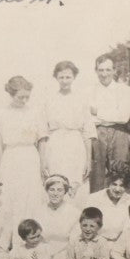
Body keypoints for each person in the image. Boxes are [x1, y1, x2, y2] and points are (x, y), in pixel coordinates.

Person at [0, 75, 44, 223]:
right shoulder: (2, 114)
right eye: (20, 97)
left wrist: (42, 163)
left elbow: (42, 139)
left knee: (31, 195)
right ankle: (11, 237)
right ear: (11, 94)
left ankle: (31, 234)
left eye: (27, 97)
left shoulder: (35, 112)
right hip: (10, 157)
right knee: (11, 195)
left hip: (30, 156)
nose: (24, 101)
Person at [87, 54, 130, 193]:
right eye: (100, 70)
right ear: (96, 71)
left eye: (108, 70)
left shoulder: (125, 90)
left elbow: (124, 117)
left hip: (119, 132)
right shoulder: (88, 91)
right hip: (97, 133)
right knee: (96, 175)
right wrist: (111, 114)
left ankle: (120, 209)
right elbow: (89, 117)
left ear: (114, 70)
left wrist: (98, 111)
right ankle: (96, 211)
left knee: (120, 173)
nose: (104, 74)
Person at [41, 59, 90, 190]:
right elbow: (43, 132)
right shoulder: (49, 100)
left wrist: (89, 161)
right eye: (61, 77)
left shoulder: (81, 100)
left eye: (68, 77)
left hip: (76, 146)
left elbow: (88, 132)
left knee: (75, 181)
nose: (64, 80)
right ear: (56, 78)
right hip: (55, 146)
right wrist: (43, 160)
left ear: (74, 77)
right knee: (56, 181)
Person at [54, 207, 119, 259]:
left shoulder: (102, 242)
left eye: (92, 226)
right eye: (84, 225)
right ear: (80, 224)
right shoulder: (74, 241)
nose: (87, 229)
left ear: (99, 227)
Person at [80, 162, 130, 242]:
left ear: (127, 186)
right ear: (108, 182)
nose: (117, 189)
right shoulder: (94, 198)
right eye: (114, 184)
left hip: (121, 245)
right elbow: (86, 226)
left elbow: (128, 230)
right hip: (96, 242)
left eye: (122, 186)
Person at [27, 173, 81, 249]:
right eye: (52, 190)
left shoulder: (75, 213)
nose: (55, 194)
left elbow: (75, 242)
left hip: (65, 255)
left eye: (59, 190)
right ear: (47, 191)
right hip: (41, 253)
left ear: (65, 192)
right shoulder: (37, 211)